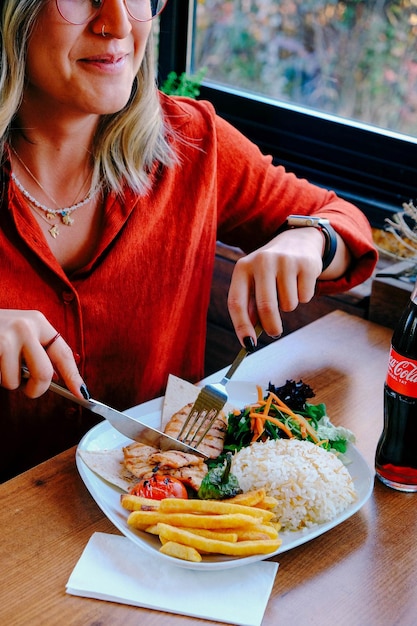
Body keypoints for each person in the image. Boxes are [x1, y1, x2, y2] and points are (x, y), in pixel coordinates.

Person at [0, 0, 377, 481]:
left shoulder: (191, 142)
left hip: (161, 518)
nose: (118, 23)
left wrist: (310, 241)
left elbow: (344, 221)